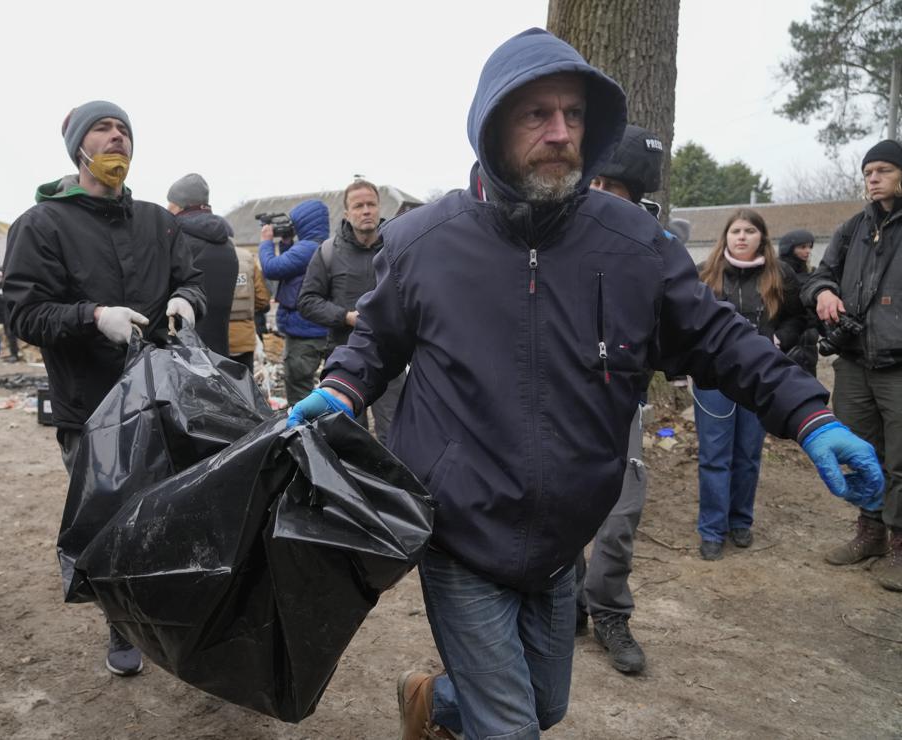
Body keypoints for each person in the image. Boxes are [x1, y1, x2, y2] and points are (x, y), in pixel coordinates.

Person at [285, 28, 882, 740]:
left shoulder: (632, 244)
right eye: (536, 114)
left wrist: (811, 416)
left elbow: (721, 339)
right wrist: (344, 389)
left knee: (545, 707)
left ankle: (432, 702)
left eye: (572, 115)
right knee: (511, 728)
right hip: (459, 524)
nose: (560, 131)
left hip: (564, 529)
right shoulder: (425, 241)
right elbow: (375, 341)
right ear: (492, 127)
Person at [2, 100, 205, 675]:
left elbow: (190, 277)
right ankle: (123, 626)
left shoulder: (158, 221)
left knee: (176, 513)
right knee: (113, 525)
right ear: (79, 149)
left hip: (168, 398)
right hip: (92, 408)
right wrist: (92, 316)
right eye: (102, 128)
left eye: (123, 129)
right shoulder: (42, 225)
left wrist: (188, 299)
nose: (116, 136)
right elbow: (22, 314)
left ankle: (178, 617)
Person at [573, 124, 663, 674]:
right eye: (595, 182)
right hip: (556, 392)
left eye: (614, 186)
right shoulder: (552, 231)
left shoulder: (653, 245)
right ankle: (566, 602)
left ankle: (608, 609)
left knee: (623, 507)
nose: (600, 194)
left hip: (620, 397)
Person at [803, 139, 902, 591]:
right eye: (868, 172)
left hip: (899, 366)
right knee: (863, 452)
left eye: (883, 170)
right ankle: (871, 532)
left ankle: (901, 544)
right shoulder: (852, 228)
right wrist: (823, 292)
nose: (873, 178)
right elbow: (818, 275)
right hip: (856, 361)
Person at [693, 209, 807, 560]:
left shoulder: (780, 275)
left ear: (762, 237)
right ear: (725, 237)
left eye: (749, 231)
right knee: (714, 455)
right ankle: (712, 529)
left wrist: (780, 339)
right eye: (735, 231)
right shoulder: (705, 275)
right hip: (713, 378)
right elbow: (687, 319)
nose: (741, 237)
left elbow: (798, 317)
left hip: (760, 377)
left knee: (747, 453)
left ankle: (740, 521)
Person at [297, 180, 405, 444]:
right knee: (345, 437)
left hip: (391, 361)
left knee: (393, 435)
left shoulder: (398, 247)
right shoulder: (327, 252)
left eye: (371, 204)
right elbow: (307, 301)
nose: (366, 210)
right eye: (358, 206)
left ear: (379, 207)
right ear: (347, 213)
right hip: (343, 360)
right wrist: (344, 317)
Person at [257, 200, 329, 405]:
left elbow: (272, 268)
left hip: (303, 331)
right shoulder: (320, 245)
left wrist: (266, 242)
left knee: (299, 387)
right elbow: (293, 269)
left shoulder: (307, 248)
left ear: (303, 223)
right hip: (317, 328)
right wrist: (286, 242)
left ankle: (305, 432)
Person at [166, 173, 239, 356]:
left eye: (171, 204)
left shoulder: (179, 240)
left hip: (185, 349)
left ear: (182, 207)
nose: (167, 208)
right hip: (219, 346)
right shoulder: (227, 243)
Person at [778, 228, 819, 375]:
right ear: (789, 249)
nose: (807, 251)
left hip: (809, 340)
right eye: (802, 247)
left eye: (809, 247)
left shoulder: (813, 273)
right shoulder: (776, 274)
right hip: (784, 338)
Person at [228, 246, 270, 372]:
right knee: (244, 385)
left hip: (211, 339)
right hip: (244, 338)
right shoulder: (247, 258)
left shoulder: (198, 254)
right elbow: (262, 299)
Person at [0, 274, 20, 362]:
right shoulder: (0, 285)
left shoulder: (10, 284)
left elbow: (11, 296)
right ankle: (12, 353)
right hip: (2, 314)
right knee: (7, 334)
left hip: (9, 314)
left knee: (11, 335)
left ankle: (15, 354)